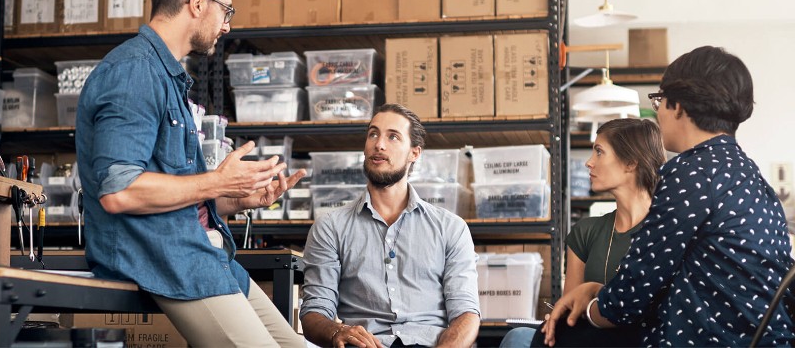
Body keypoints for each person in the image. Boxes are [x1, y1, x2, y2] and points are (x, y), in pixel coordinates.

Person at [74, 0, 306, 346]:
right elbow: (119, 191)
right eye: (226, 10)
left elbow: (179, 194)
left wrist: (234, 198)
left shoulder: (167, 78)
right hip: (167, 259)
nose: (228, 25)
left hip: (203, 254)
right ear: (197, 3)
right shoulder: (134, 72)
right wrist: (216, 181)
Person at [544, 46, 794, 346]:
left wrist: (588, 307)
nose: (658, 112)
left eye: (659, 100)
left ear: (678, 106)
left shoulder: (689, 172)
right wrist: (598, 292)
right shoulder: (750, 175)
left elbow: (629, 298)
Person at [301, 103, 480, 348]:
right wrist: (337, 332)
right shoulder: (330, 228)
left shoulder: (451, 229)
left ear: (414, 153)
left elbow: (466, 313)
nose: (379, 144)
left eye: (393, 136)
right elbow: (314, 313)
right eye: (373, 134)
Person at [499, 118, 664, 347]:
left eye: (599, 152)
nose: (588, 163)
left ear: (630, 162)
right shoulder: (585, 232)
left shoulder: (666, 232)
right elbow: (571, 315)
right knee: (517, 338)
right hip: (590, 339)